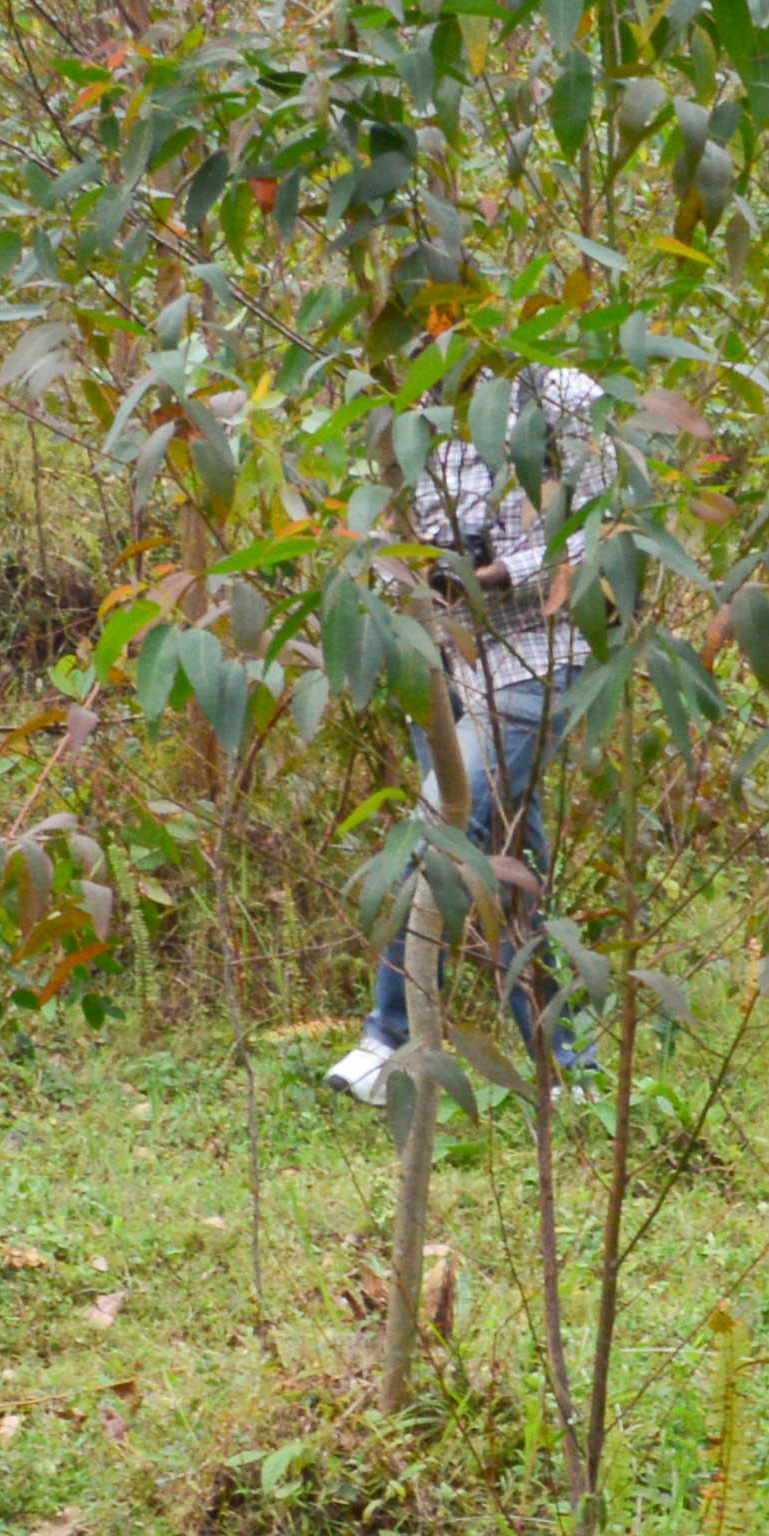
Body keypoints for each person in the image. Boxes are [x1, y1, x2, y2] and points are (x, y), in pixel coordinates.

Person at [331, 364, 610, 1105]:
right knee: (507, 860)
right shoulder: (400, 405)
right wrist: (412, 569)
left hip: (539, 658)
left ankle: (386, 1041)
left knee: (439, 835)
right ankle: (569, 1067)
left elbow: (603, 529)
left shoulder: (558, 395)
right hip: (443, 660)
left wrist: (488, 574)